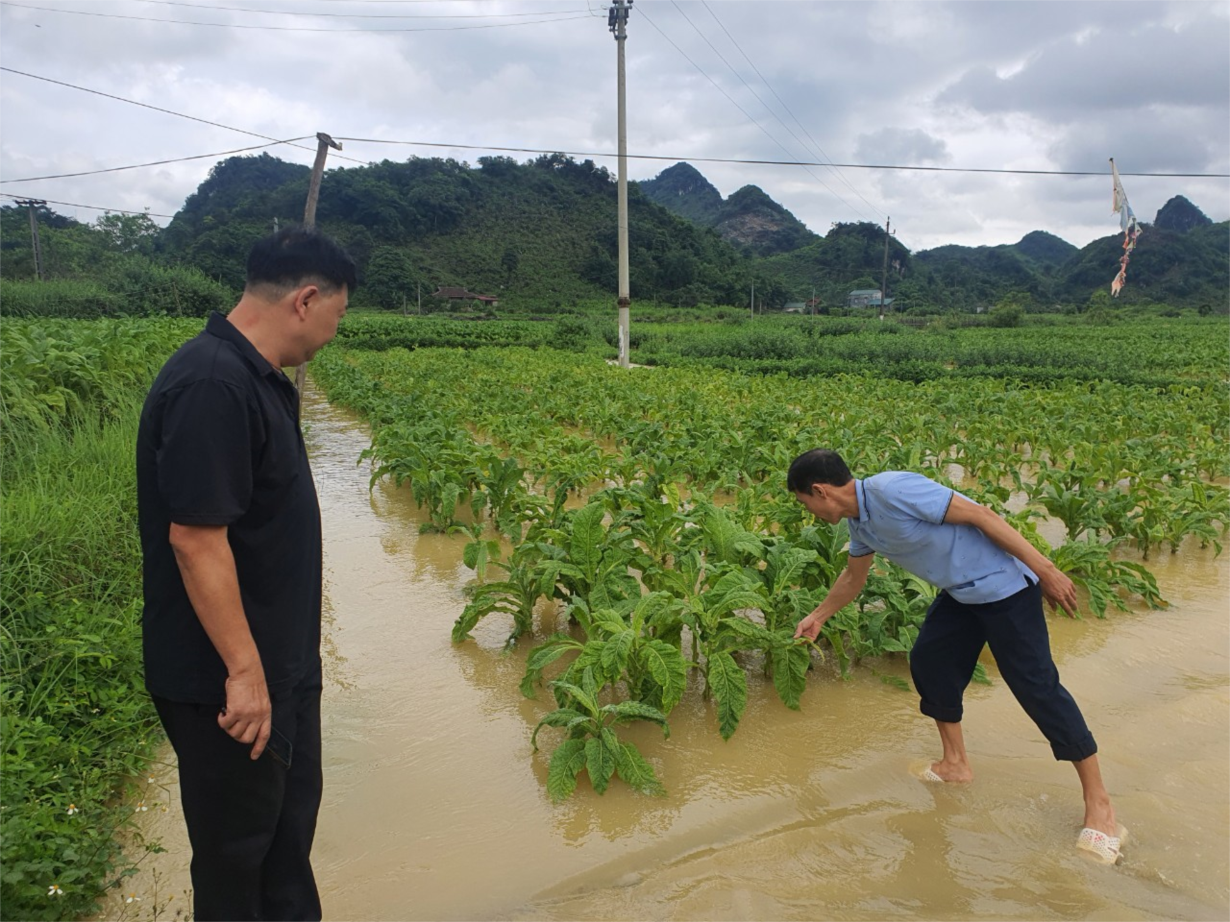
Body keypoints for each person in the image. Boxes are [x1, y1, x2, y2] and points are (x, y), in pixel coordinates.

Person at [136, 225, 356, 921]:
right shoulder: (212, 383)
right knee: (238, 861)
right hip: (229, 690)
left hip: (274, 673)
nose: (330, 335)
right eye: (335, 318)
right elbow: (196, 540)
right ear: (306, 299)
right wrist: (244, 671)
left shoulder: (253, 378)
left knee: (282, 848)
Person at [787, 448, 1126, 864]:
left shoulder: (891, 490)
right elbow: (853, 576)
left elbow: (982, 515)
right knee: (930, 660)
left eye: (804, 502)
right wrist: (819, 616)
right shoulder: (861, 525)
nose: (808, 511)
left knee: (1037, 688)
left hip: (1006, 591)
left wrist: (1046, 570)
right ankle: (955, 764)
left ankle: (1101, 807)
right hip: (961, 596)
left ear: (820, 491)